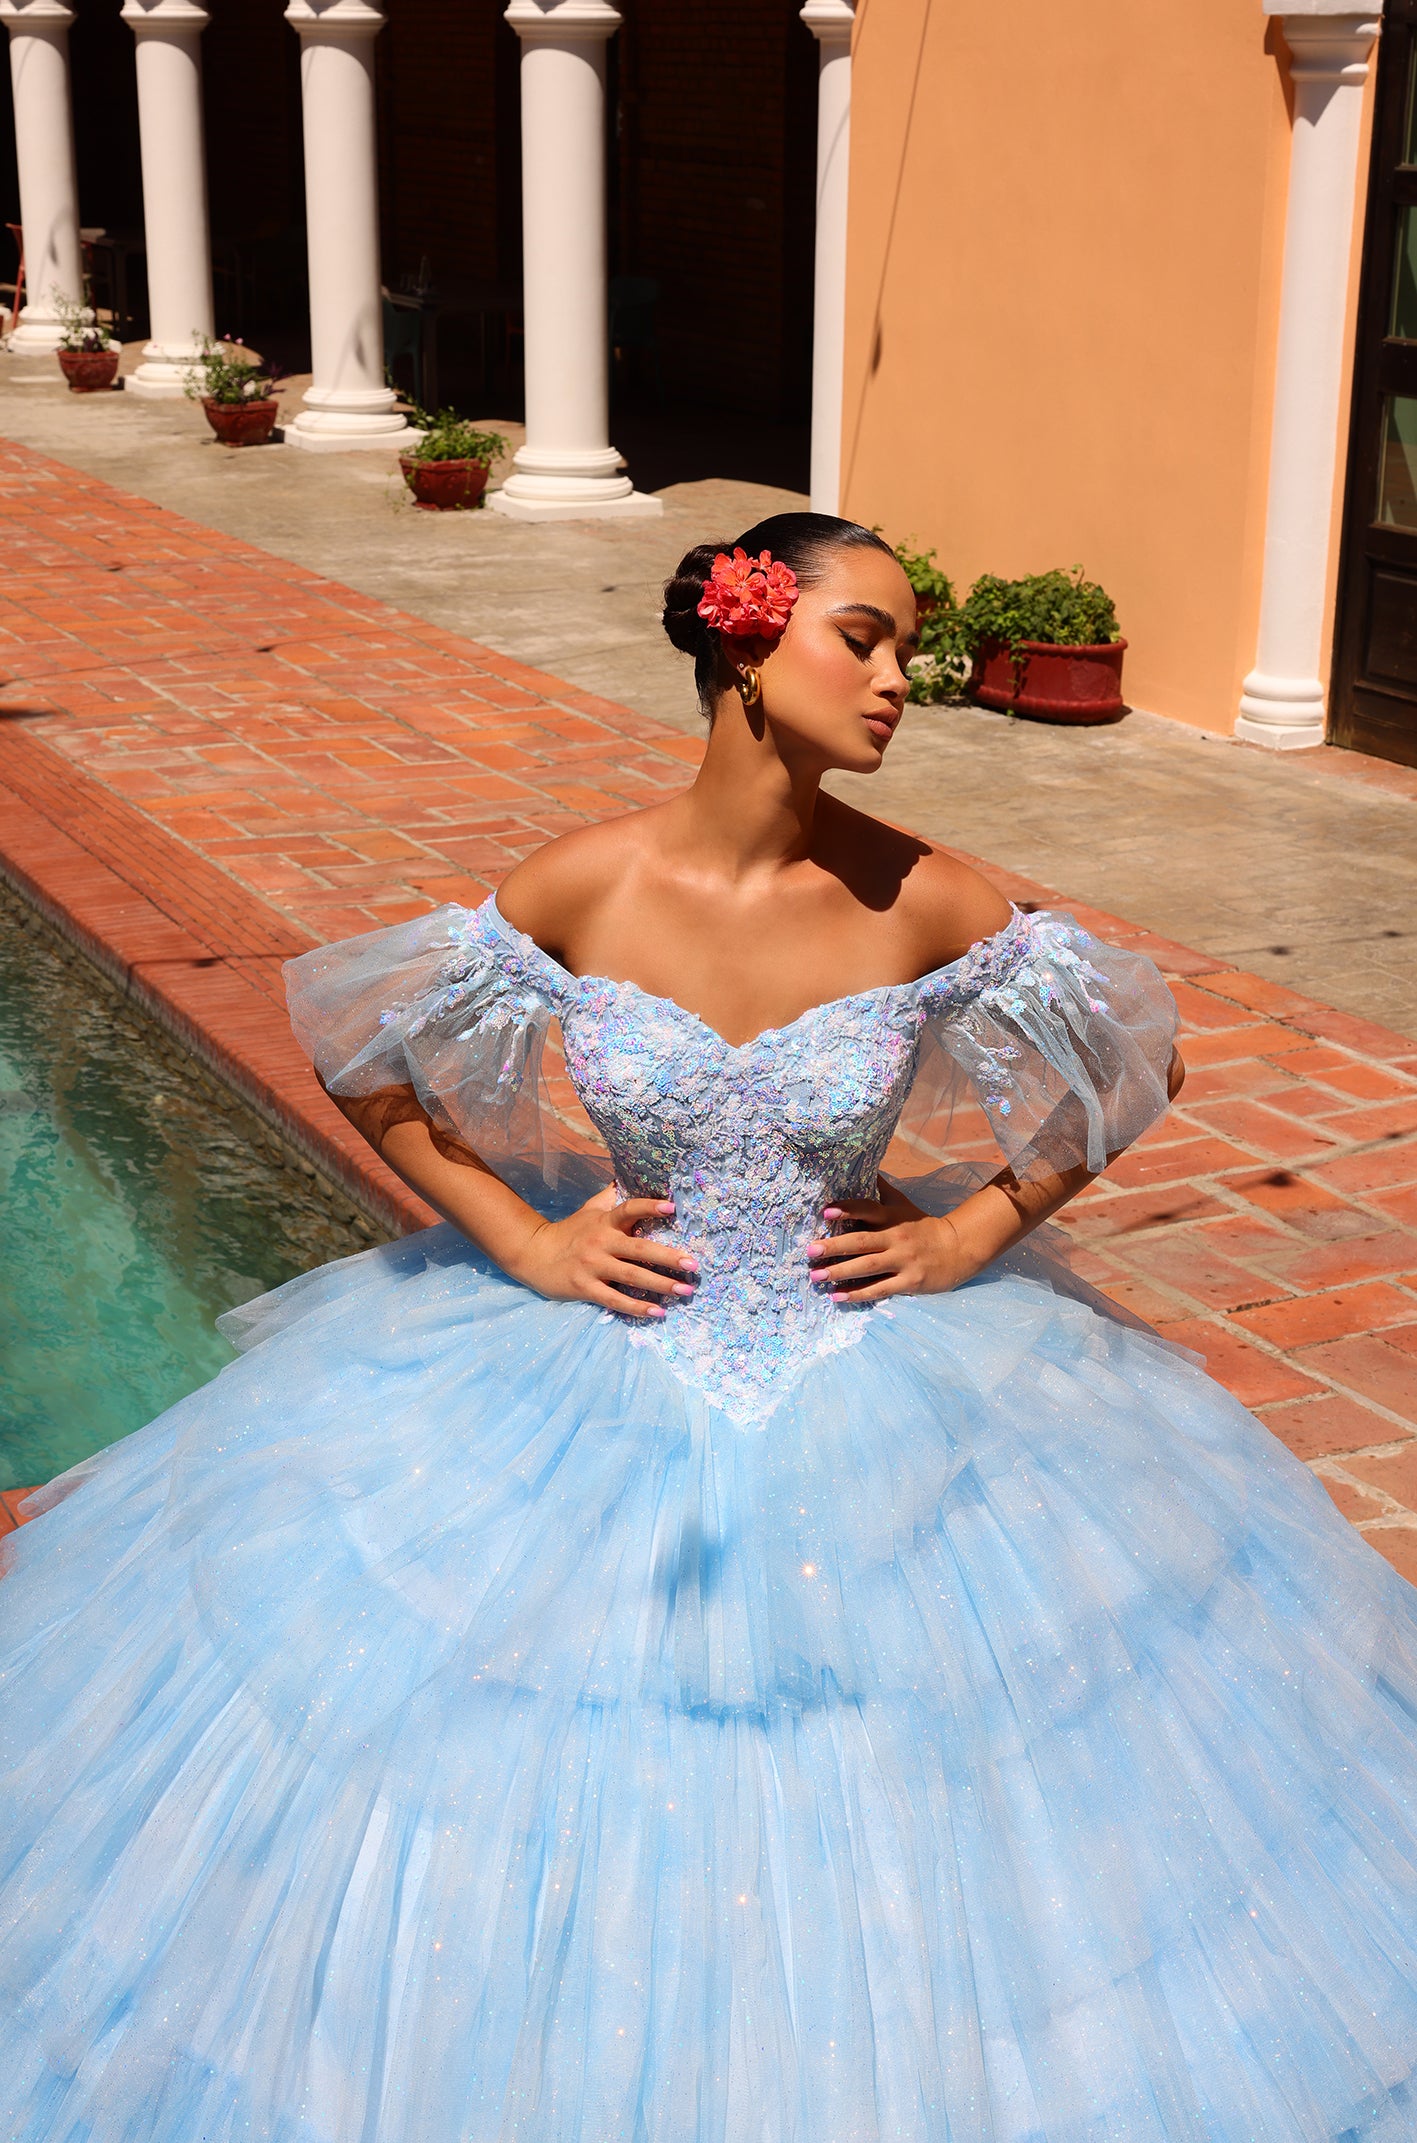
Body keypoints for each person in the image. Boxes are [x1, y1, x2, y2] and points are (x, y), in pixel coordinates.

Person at [2, 514, 1415, 2143]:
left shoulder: (922, 892)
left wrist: (969, 1228)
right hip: (595, 1365)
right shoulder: (586, 881)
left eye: (907, 651)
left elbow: (1133, 1059)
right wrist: (521, 1236)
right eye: (863, 638)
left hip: (873, 1374)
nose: (898, 681)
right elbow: (367, 1055)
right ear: (745, 641)